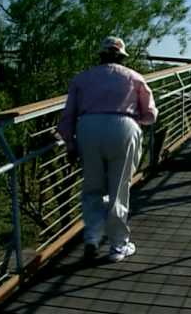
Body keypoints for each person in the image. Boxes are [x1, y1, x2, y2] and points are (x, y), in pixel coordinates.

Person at [57, 36, 158, 262]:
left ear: (101, 55)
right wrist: (137, 121)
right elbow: (150, 114)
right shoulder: (134, 77)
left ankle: (92, 238)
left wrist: (71, 144)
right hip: (123, 127)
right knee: (119, 190)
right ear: (122, 57)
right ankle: (117, 246)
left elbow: (67, 118)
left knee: (92, 188)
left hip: (88, 128)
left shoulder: (82, 79)